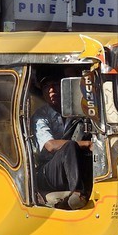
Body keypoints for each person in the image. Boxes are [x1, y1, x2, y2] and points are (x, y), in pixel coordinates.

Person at [31, 68, 91, 208]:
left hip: (71, 168)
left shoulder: (77, 111)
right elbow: (50, 146)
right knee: (70, 146)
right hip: (48, 172)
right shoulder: (41, 116)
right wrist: (86, 144)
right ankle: (78, 193)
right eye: (46, 87)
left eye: (56, 85)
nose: (52, 90)